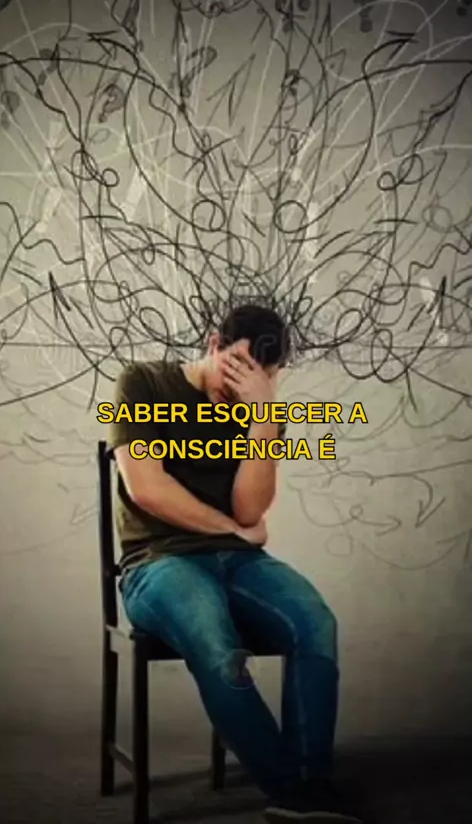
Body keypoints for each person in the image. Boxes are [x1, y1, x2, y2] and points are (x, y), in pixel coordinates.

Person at [106, 303, 363, 823]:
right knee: (214, 637)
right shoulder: (143, 384)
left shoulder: (259, 409)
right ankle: (291, 790)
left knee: (315, 622)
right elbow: (147, 488)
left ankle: (312, 782)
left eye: (257, 376)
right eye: (236, 366)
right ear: (213, 344)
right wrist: (234, 530)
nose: (239, 387)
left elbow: (250, 508)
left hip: (239, 561)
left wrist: (264, 420)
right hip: (157, 563)